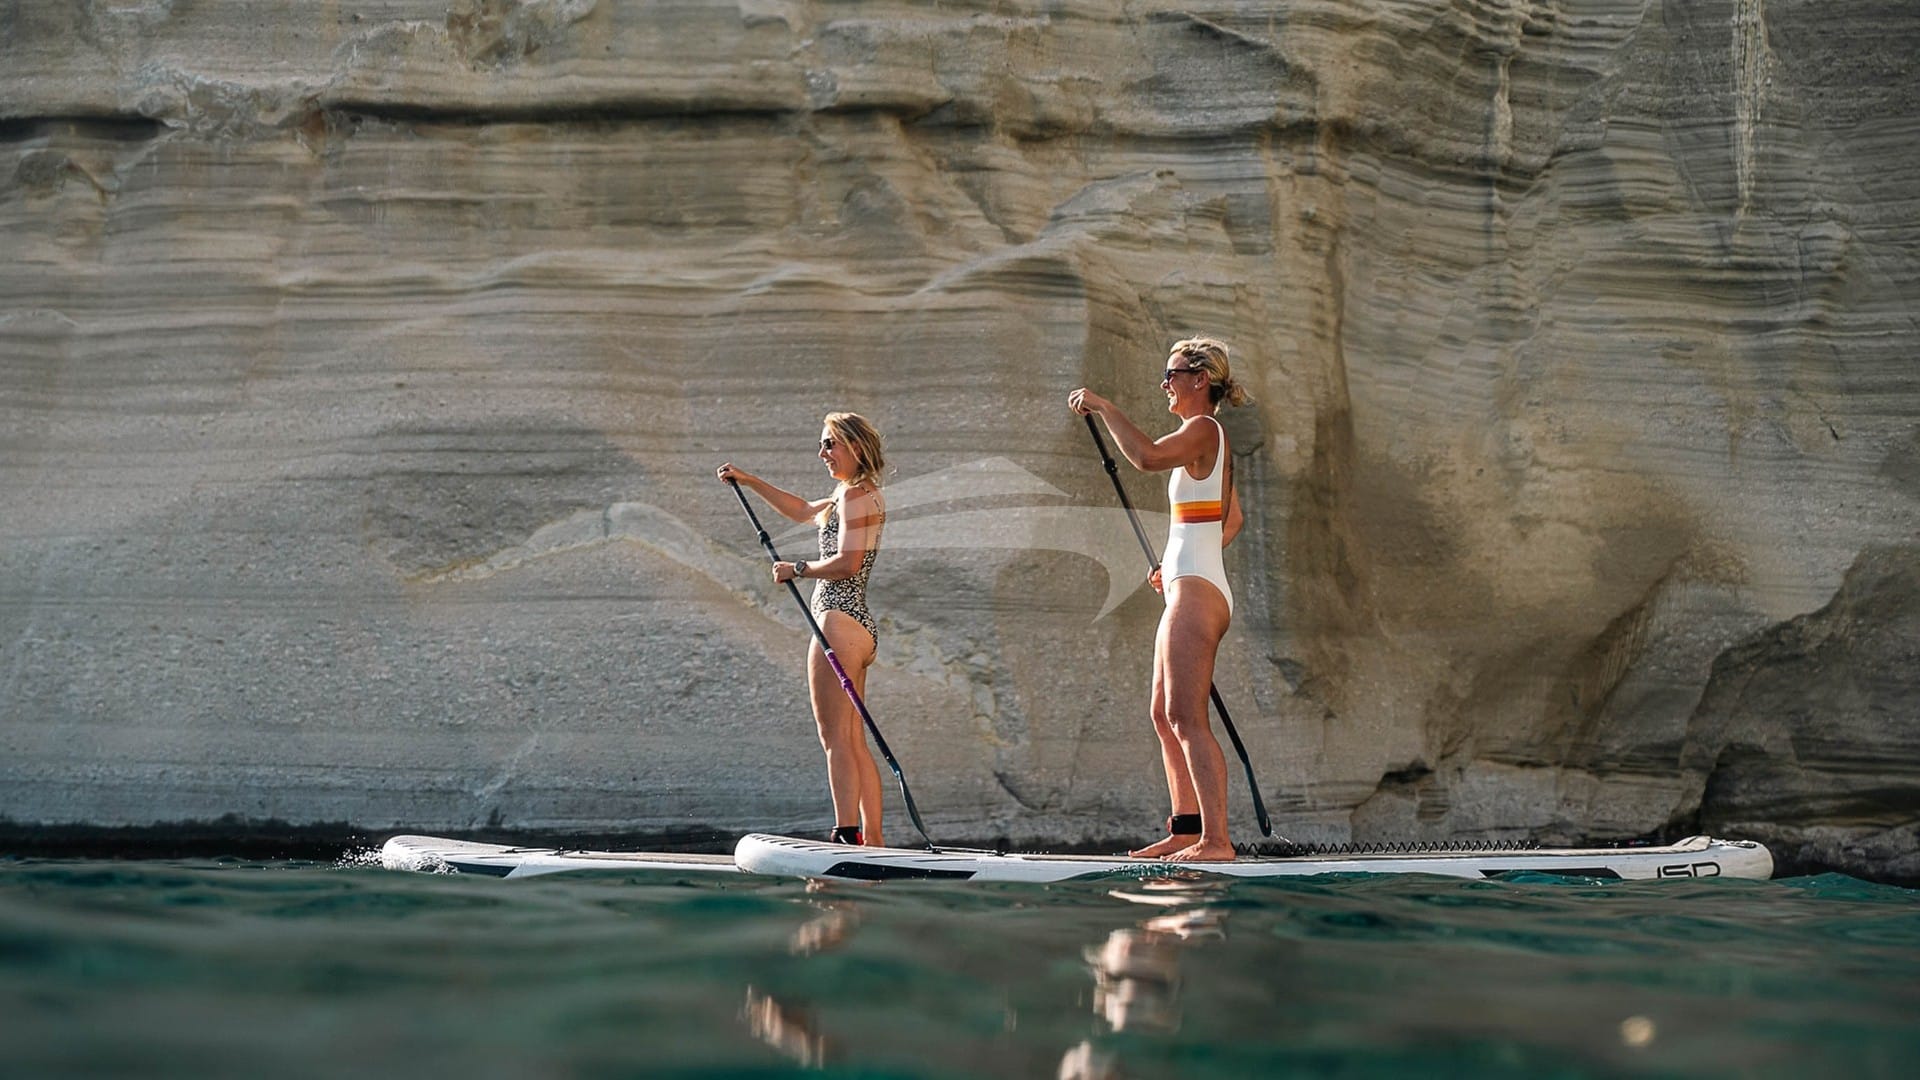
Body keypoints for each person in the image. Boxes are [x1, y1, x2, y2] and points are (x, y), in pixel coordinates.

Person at [1069, 338, 1250, 862]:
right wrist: (1175, 567)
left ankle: (1217, 842)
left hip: (1196, 592)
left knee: (1185, 715)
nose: (1164, 384)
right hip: (1190, 583)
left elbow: (1146, 456)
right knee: (1162, 713)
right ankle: (1187, 828)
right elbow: (1230, 519)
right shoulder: (1209, 441)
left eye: (1171, 375)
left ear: (1200, 379)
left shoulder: (1203, 430)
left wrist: (1105, 407)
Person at [716, 412, 889, 846]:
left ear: (855, 446)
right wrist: (749, 480)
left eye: (831, 444)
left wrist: (798, 568)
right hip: (860, 627)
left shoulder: (852, 498)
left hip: (837, 619)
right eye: (821, 444)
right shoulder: (857, 495)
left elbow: (848, 562)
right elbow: (800, 509)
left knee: (834, 737)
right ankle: (874, 839)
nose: (823, 453)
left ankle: (846, 835)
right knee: (853, 739)